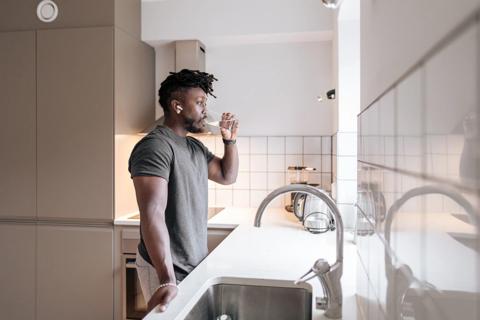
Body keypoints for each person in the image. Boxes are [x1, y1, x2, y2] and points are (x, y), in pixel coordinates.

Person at [128, 69, 239, 313]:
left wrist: (229, 141)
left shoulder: (194, 147)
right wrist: (166, 277)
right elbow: (152, 214)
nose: (204, 110)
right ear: (177, 106)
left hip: (193, 262)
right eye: (199, 103)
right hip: (165, 268)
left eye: (205, 103)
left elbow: (226, 175)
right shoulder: (155, 147)